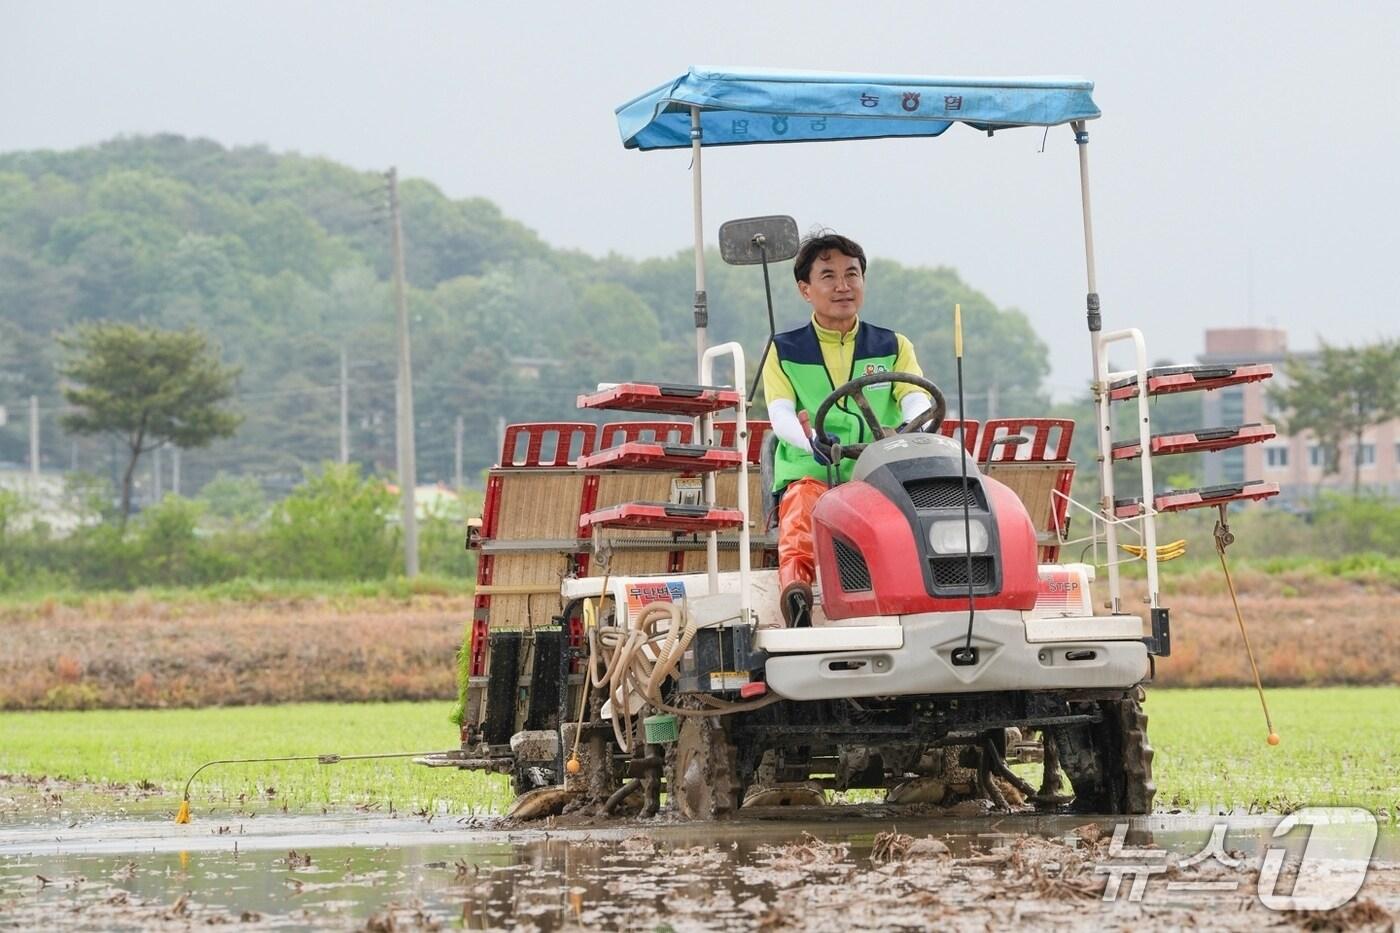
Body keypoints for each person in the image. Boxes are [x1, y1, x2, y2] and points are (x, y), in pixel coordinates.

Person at [762, 232, 933, 626]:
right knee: (803, 503)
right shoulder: (784, 350)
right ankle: (796, 591)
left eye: (852, 274)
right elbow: (781, 414)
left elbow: (914, 396)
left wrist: (910, 425)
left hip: (879, 472)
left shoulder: (892, 344)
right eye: (828, 276)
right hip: (814, 468)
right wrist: (811, 441)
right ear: (805, 289)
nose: (843, 286)